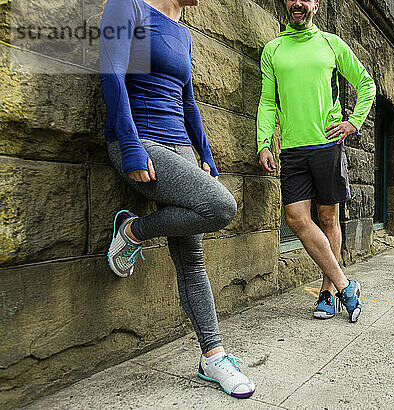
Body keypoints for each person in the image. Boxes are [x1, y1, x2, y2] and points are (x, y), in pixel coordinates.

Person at [100, 0, 255, 399]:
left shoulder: (182, 31)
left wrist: (204, 152)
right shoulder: (126, 5)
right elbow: (112, 74)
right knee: (222, 207)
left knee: (192, 257)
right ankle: (133, 231)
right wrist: (131, 145)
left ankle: (212, 356)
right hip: (138, 141)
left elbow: (187, 101)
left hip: (180, 148)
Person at [256, 0, 376, 322]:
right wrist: (264, 143)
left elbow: (367, 84)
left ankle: (327, 292)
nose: (297, 3)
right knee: (295, 217)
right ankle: (346, 285)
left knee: (328, 219)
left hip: (327, 145)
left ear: (315, 5)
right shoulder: (273, 50)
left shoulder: (331, 45)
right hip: (293, 150)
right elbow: (268, 100)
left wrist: (354, 122)